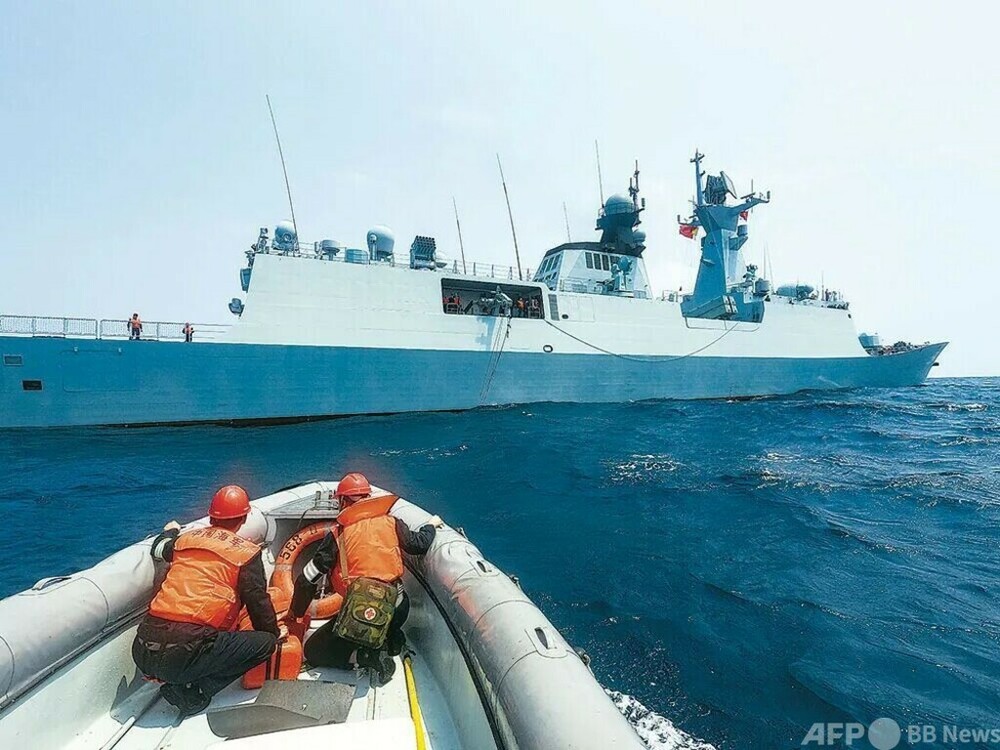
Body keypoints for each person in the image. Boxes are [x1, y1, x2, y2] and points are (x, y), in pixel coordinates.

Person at [132, 485, 281, 715]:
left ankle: (172, 676)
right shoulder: (246, 554)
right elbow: (258, 605)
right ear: (243, 519)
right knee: (265, 644)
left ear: (211, 517)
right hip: (184, 654)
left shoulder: (184, 541)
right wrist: (273, 634)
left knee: (193, 645)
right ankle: (196, 691)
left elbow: (159, 548)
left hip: (143, 650)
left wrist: (171, 531)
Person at [287, 472, 441, 683]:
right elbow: (419, 544)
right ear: (368, 497)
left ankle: (365, 657)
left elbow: (307, 579)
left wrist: (295, 614)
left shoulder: (337, 534)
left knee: (314, 650)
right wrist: (430, 526)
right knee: (376, 616)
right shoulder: (391, 522)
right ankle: (390, 637)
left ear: (342, 501)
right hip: (398, 608)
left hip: (364, 616)